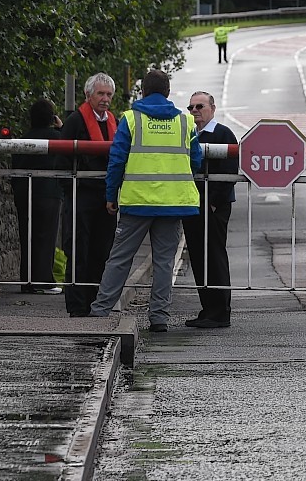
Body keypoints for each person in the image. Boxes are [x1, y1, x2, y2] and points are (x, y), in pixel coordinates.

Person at [88, 70, 203, 332]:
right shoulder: (185, 122)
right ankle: (159, 317)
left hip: (137, 202)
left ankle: (101, 311)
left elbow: (116, 161)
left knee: (120, 258)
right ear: (168, 92)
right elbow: (195, 160)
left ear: (142, 92)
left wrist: (110, 195)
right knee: (164, 262)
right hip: (173, 203)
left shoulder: (130, 120)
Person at [58, 72, 120, 317]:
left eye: (108, 95)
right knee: (77, 249)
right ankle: (77, 306)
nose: (105, 99)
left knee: (101, 250)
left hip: (106, 197)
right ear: (88, 95)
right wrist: (69, 190)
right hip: (81, 194)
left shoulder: (113, 121)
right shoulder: (75, 121)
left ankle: (96, 301)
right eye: (101, 94)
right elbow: (62, 157)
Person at [183, 91, 239, 328]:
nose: (195, 111)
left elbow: (230, 168)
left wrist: (215, 200)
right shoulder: (189, 134)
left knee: (214, 254)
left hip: (214, 205)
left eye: (200, 106)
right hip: (192, 203)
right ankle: (207, 308)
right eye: (191, 108)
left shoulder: (223, 133)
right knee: (197, 255)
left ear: (212, 108)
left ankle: (220, 311)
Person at [13, 98, 63, 295]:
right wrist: (62, 127)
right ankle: (44, 281)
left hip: (23, 193)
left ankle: (27, 281)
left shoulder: (23, 139)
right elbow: (70, 146)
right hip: (49, 193)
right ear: (52, 118)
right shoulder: (57, 138)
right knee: (46, 237)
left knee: (27, 236)